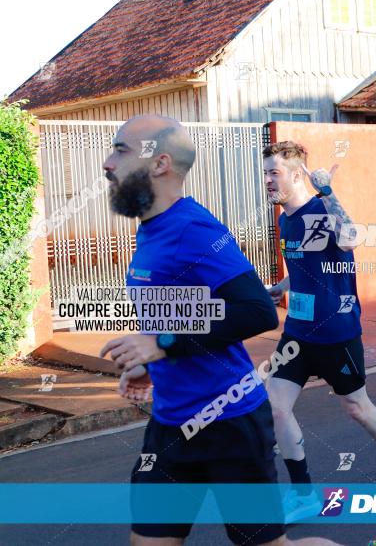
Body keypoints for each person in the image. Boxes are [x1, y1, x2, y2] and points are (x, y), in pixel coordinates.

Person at [99, 115, 287, 545]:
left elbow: (257, 311)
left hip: (230, 424)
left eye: (121, 150)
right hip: (169, 425)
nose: (108, 163)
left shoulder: (193, 229)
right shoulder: (153, 228)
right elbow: (183, 313)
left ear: (160, 163)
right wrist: (153, 363)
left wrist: (162, 345)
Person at [262, 141, 376, 523]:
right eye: (264, 172)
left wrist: (327, 191)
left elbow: (349, 239)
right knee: (276, 407)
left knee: (356, 408)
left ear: (297, 176)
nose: (266, 180)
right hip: (297, 334)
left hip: (336, 333)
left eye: (273, 173)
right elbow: (307, 262)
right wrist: (283, 285)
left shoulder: (320, 209)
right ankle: (304, 494)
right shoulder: (286, 218)